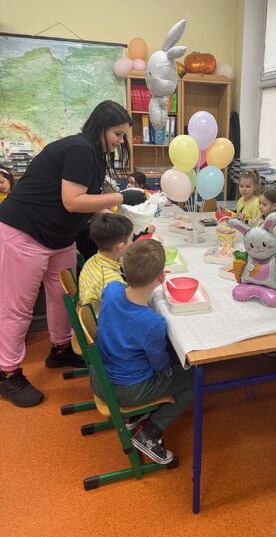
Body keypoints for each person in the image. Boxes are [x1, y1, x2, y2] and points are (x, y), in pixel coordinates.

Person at [0, 100, 140, 408]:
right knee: (17, 308)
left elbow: (86, 200)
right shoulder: (81, 149)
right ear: (101, 127)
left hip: (59, 237)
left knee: (63, 296)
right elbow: (72, 201)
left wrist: (111, 213)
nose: (120, 141)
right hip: (25, 232)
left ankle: (61, 348)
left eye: (123, 136)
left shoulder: (95, 156)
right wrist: (121, 197)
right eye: (117, 134)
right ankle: (7, 373)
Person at [92, 239, 194, 464]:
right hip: (125, 390)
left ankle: (137, 415)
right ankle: (151, 431)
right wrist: (172, 366)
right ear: (162, 277)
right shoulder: (151, 322)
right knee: (193, 377)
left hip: (99, 377)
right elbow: (159, 364)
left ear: (124, 268)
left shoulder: (112, 289)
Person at [78, 213, 133, 314]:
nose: (132, 243)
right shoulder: (113, 282)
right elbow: (124, 310)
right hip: (101, 320)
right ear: (120, 247)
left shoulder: (93, 260)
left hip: (90, 310)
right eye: (131, 240)